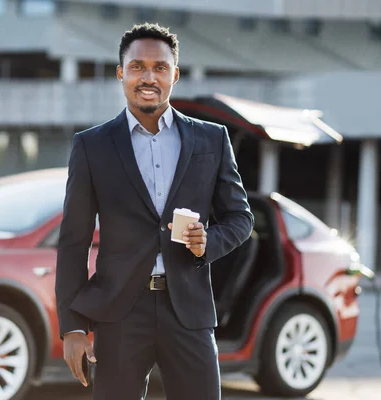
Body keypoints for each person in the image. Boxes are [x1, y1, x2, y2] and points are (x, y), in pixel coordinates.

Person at [55, 22, 254, 400]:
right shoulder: (91, 146)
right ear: (121, 73)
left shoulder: (212, 139)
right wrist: (73, 327)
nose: (149, 77)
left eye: (160, 67)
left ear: (175, 75)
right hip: (119, 314)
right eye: (138, 66)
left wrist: (207, 242)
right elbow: (73, 242)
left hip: (189, 311)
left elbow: (241, 219)